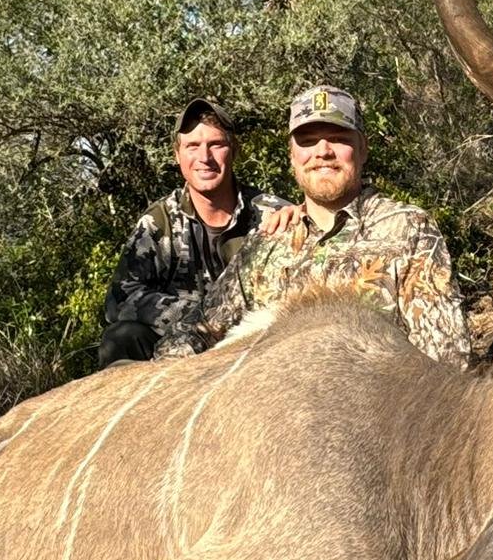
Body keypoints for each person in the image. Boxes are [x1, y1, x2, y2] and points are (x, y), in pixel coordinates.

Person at [155, 83, 470, 367]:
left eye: (337, 138)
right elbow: (198, 328)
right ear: (292, 157)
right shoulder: (268, 240)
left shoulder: (409, 230)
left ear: (362, 149)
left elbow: (445, 361)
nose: (322, 152)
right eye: (307, 141)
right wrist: (165, 380)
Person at [97, 97, 289, 367]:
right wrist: (200, 317)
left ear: (234, 150)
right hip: (179, 350)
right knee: (121, 337)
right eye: (192, 146)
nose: (204, 158)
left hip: (253, 350)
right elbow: (119, 299)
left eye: (216, 144)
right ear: (177, 155)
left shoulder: (274, 214)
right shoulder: (159, 220)